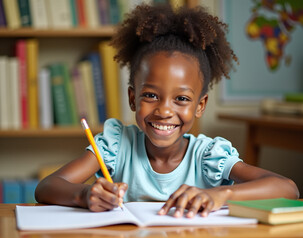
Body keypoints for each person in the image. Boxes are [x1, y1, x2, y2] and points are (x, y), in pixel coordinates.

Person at [35, 3, 299, 218]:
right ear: (132, 98)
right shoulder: (117, 147)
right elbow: (47, 187)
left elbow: (287, 188)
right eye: (150, 96)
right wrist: (83, 195)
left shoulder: (208, 157)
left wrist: (221, 194)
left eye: (181, 99)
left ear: (200, 106)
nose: (163, 111)